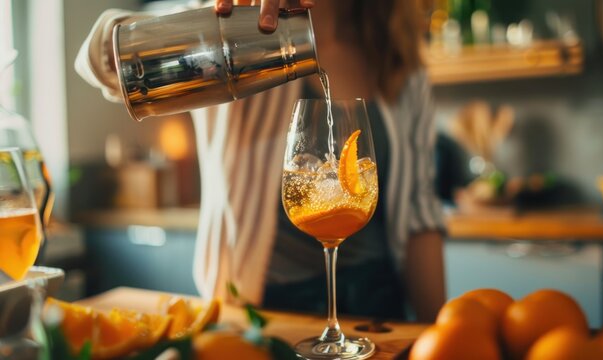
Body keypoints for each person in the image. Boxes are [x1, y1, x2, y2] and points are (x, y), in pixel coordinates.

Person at [76, 0, 445, 321]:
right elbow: (102, 56)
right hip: (261, 308)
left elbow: (420, 217)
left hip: (376, 305)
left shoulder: (400, 61)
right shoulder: (241, 26)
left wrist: (440, 333)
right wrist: (226, 19)